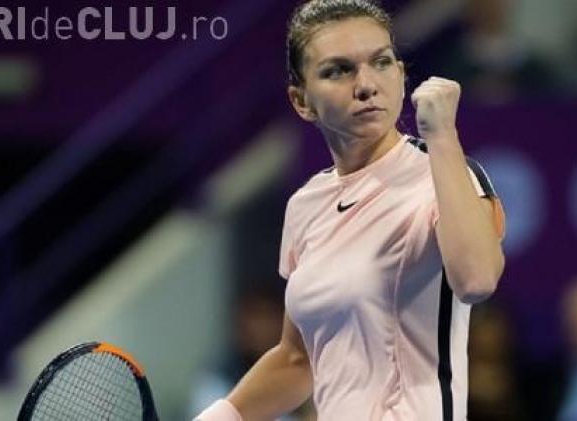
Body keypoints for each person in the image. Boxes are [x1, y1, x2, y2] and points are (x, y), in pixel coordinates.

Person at [195, 0, 506, 420]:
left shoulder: (445, 174)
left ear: (401, 75)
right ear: (301, 101)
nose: (365, 84)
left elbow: (477, 279)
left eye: (381, 62)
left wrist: (442, 136)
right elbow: (298, 359)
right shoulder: (306, 205)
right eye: (338, 70)